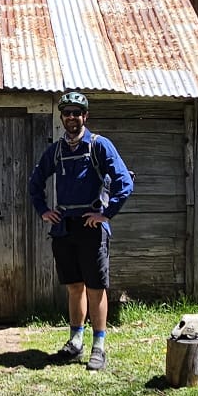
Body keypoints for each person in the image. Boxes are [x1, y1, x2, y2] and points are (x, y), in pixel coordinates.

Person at [27, 90, 134, 370]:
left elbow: (124, 183)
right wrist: (43, 210)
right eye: (67, 113)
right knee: (74, 287)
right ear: (62, 117)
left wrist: (105, 215)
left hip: (91, 230)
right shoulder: (56, 151)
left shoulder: (99, 146)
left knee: (96, 289)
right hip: (64, 229)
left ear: (85, 116)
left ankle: (99, 347)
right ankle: (75, 341)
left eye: (77, 113)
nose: (72, 118)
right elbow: (34, 183)